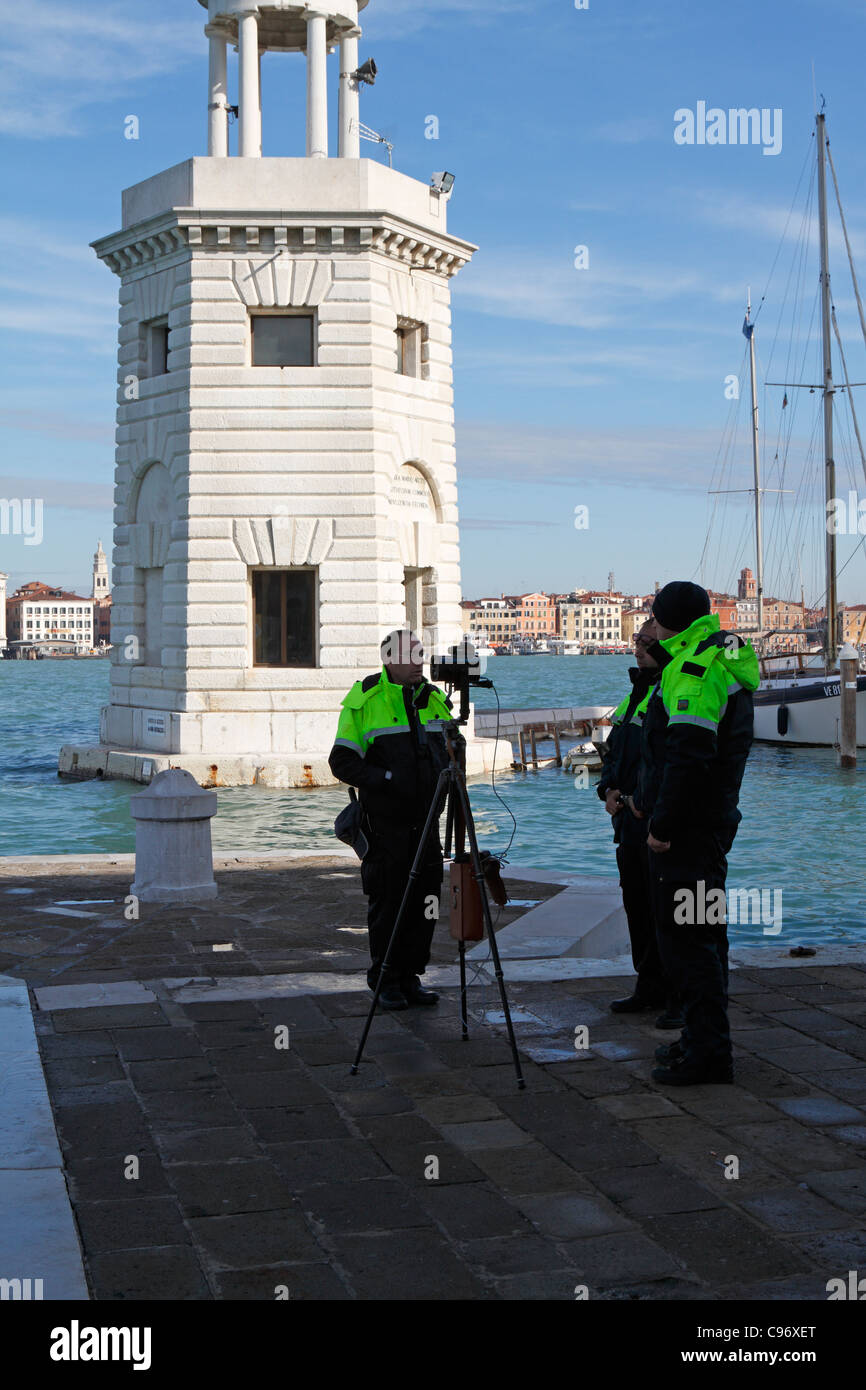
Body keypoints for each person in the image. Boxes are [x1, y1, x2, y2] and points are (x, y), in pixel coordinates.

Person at [633, 581, 759, 1086]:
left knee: (688, 942)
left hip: (688, 830)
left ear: (671, 621)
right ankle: (699, 1040)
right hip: (710, 822)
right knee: (704, 936)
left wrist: (662, 826)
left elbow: (688, 757)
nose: (653, 623)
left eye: (657, 616)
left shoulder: (690, 670)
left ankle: (708, 1054)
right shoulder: (714, 657)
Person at [328, 630, 453, 1011]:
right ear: (389, 659)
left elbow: (451, 752)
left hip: (427, 821)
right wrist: (386, 780)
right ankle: (385, 978)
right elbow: (342, 761)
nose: (419, 660)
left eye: (421, 653)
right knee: (390, 902)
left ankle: (412, 976)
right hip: (386, 826)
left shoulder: (434, 699)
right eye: (411, 654)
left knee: (426, 900)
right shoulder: (365, 700)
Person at [598, 619, 676, 1021]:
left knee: (668, 910)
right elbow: (614, 752)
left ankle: (676, 995)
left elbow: (667, 761)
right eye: (636, 641)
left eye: (646, 641)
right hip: (628, 822)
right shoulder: (637, 693)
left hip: (654, 820)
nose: (637, 648)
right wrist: (607, 790)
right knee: (637, 906)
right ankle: (648, 985)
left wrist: (643, 802)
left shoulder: (672, 690)